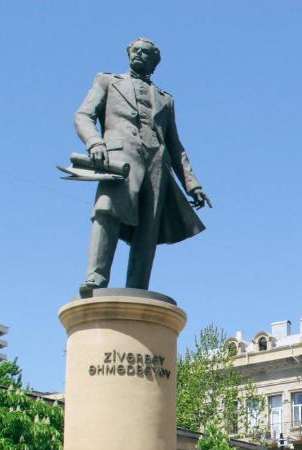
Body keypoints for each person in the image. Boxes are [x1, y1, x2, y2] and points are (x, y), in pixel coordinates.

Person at [74, 38, 212, 293]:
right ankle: (96, 279)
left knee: (148, 232)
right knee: (106, 212)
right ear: (128, 54)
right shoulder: (108, 81)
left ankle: (137, 288)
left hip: (157, 166)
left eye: (145, 52)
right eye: (135, 50)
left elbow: (175, 145)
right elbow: (83, 115)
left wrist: (193, 184)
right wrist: (95, 143)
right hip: (118, 159)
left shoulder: (165, 100)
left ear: (155, 62)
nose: (139, 54)